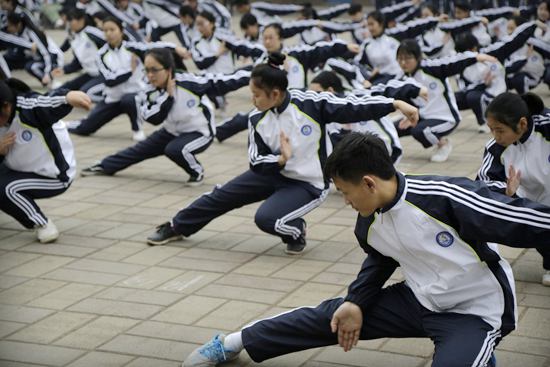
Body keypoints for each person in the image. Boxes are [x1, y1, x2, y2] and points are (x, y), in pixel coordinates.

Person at [183, 132, 550, 367]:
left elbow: (525, 219)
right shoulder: (369, 219)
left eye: (344, 191)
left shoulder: (445, 197)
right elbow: (379, 259)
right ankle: (233, 343)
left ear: (369, 183)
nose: (343, 201)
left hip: (474, 311)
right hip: (418, 300)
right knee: (334, 314)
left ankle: (475, 354)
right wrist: (356, 302)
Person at [146, 53, 419, 254]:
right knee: (221, 195)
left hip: (307, 183)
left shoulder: (310, 104)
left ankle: (295, 229)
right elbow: (255, 160)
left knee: (267, 219)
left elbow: (353, 104)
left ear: (275, 94)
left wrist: (393, 103)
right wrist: (279, 159)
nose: (252, 100)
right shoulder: (257, 118)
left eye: (256, 95)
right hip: (272, 171)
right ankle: (177, 225)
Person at [80, 49, 250, 185]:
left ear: (168, 69)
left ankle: (196, 171)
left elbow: (228, 80)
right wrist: (168, 97)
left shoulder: (190, 83)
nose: (150, 75)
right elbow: (153, 119)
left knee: (174, 149)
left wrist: (256, 74)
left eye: (154, 70)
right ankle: (103, 166)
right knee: (137, 151)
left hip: (199, 132)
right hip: (171, 130)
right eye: (146, 70)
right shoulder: (148, 90)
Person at [0, 78, 91, 243]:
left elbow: (46, 102)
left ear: (6, 106)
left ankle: (42, 223)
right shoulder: (4, 115)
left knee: (4, 189)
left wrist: (68, 96)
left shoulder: (28, 109)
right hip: (17, 170)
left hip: (53, 175)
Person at [476, 92, 550, 286]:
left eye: (500, 130)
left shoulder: (546, 128)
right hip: (534, 201)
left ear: (522, 124)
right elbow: (483, 182)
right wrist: (506, 191)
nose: (495, 136)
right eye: (491, 130)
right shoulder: (496, 147)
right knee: (536, 227)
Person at [394, 38, 497, 162]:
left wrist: (475, 57)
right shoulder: (402, 78)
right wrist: (409, 116)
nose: (403, 63)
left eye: (408, 58)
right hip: (424, 116)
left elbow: (453, 62)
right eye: (400, 59)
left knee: (421, 131)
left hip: (446, 117)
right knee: (394, 128)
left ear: (418, 57)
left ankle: (443, 144)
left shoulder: (431, 68)